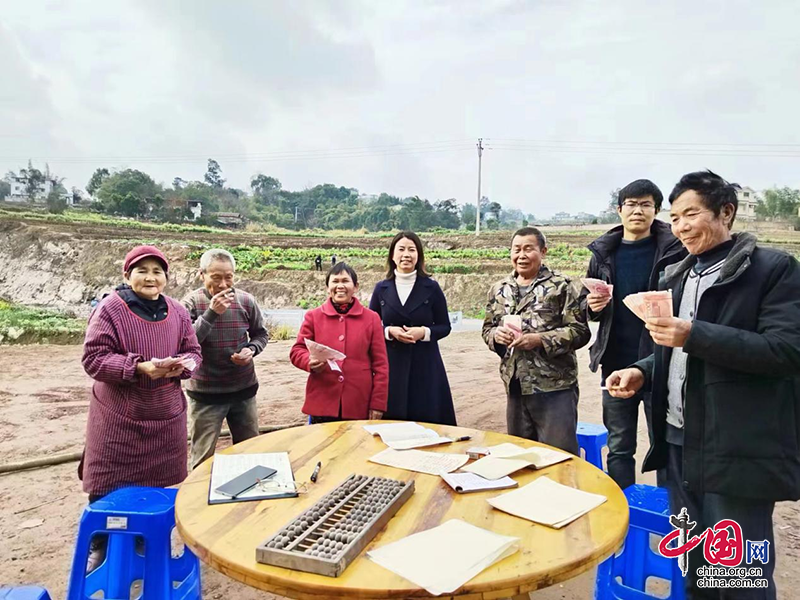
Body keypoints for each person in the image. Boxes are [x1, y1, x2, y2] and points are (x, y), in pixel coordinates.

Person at [606, 171, 800, 598]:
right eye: (674, 218)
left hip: (734, 447)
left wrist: (693, 334)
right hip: (678, 443)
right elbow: (670, 351)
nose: (680, 226)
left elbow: (786, 351)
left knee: (739, 574)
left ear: (726, 212)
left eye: (691, 214)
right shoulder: (675, 275)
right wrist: (642, 371)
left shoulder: (772, 270)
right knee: (695, 567)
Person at [80, 245, 202, 569]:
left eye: (157, 271)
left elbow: (193, 350)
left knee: (153, 488)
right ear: (127, 274)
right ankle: (100, 547)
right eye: (142, 270)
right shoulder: (110, 309)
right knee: (109, 485)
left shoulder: (177, 311)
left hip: (164, 417)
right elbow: (93, 359)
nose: (150, 277)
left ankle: (141, 542)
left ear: (165, 278)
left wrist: (184, 366)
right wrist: (138, 368)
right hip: (119, 420)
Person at [585, 179, 685, 489]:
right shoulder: (603, 253)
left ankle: (673, 516)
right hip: (615, 361)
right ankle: (623, 511)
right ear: (619, 210)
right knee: (619, 446)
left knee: (666, 444)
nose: (638, 210)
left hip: (662, 361)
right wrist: (594, 305)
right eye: (631, 204)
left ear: (656, 210)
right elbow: (589, 309)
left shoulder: (675, 250)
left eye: (645, 205)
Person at [482, 227, 590, 454]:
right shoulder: (499, 289)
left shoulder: (562, 286)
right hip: (516, 385)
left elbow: (579, 331)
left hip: (554, 385)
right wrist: (496, 336)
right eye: (517, 249)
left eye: (528, 249)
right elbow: (487, 329)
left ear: (543, 251)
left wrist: (540, 340)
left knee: (559, 456)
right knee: (520, 455)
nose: (521, 255)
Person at [182, 248, 268, 469]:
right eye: (216, 277)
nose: (222, 284)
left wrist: (251, 350)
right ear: (202, 275)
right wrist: (211, 313)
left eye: (228, 277)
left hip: (243, 389)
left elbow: (261, 334)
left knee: (250, 452)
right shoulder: (191, 303)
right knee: (202, 457)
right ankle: (199, 500)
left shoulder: (246, 301)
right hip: (205, 394)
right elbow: (185, 342)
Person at [369, 231, 456, 425]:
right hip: (392, 364)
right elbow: (371, 326)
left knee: (428, 422)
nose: (406, 254)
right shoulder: (381, 288)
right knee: (393, 424)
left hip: (425, 363)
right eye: (401, 249)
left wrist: (424, 332)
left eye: (411, 250)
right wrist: (389, 332)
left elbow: (445, 326)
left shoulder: (431, 288)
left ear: (419, 256)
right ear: (392, 255)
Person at [290, 263, 388, 422]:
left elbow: (381, 365)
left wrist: (378, 403)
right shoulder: (313, 316)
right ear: (328, 288)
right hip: (323, 401)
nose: (340, 286)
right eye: (335, 281)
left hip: (358, 402)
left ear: (355, 287)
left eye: (345, 281)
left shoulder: (372, 319)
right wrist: (309, 361)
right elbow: (297, 350)